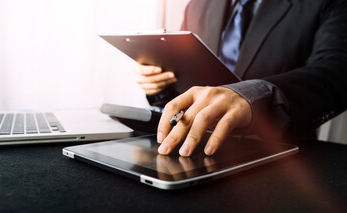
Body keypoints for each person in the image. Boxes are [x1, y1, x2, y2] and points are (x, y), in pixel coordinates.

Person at [136, 0, 347, 157]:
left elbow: (336, 70)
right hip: (191, 152)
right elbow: (188, 81)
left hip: (278, 161)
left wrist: (250, 96)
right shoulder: (198, 4)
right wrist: (160, 85)